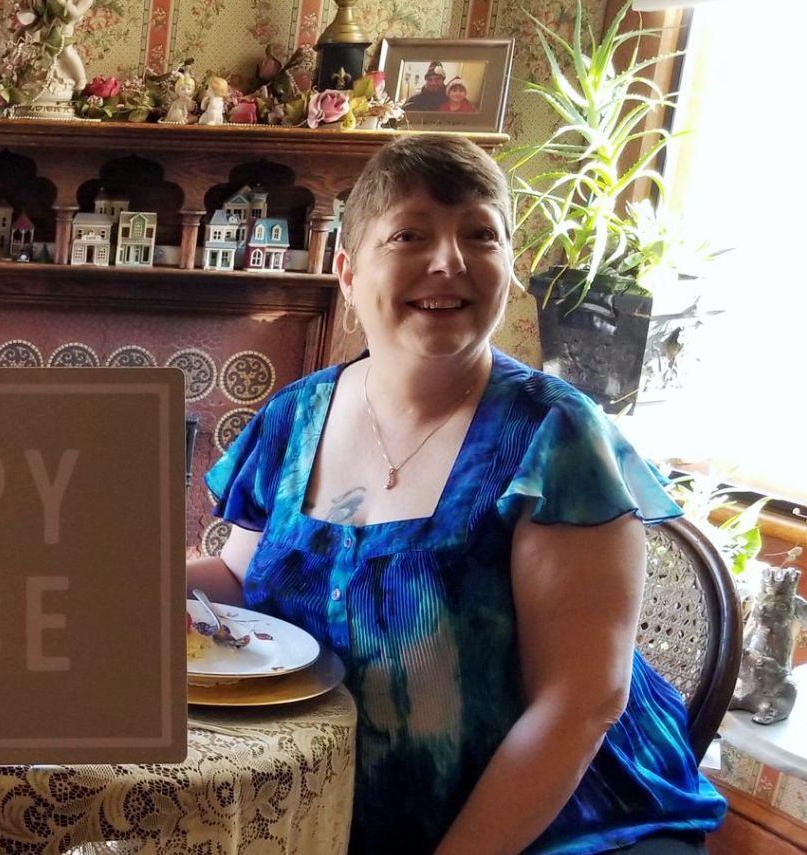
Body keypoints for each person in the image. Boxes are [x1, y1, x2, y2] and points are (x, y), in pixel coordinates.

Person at [189, 134, 725, 853]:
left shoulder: (556, 437)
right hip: (335, 804)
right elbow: (237, 580)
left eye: (481, 235)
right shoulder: (296, 415)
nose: (449, 261)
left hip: (561, 825)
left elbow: (580, 702)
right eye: (409, 234)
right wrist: (104, 585)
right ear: (348, 272)